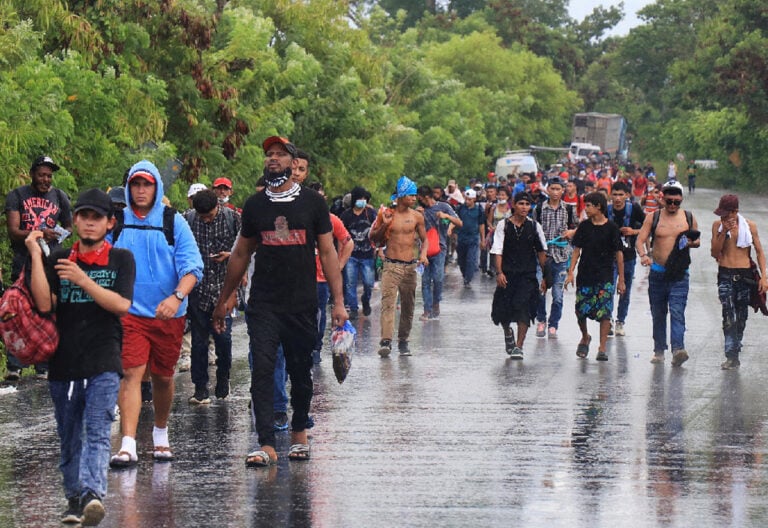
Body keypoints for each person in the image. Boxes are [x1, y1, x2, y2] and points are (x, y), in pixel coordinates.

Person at [212, 135, 347, 467]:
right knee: (262, 369)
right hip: (264, 304)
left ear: (293, 163)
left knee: (300, 372)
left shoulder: (313, 204)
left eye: (280, 154)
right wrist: (225, 298)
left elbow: (328, 252)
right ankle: (266, 443)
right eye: (269, 154)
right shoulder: (255, 205)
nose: (273, 158)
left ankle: (299, 432)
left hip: (302, 303)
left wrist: (338, 301)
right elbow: (241, 253)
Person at [26, 189, 135, 526]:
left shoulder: (121, 259)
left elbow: (122, 305)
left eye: (97, 218)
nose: (90, 223)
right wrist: (35, 255)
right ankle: (74, 499)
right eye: (84, 216)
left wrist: (83, 280)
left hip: (104, 357)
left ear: (109, 223)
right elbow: (45, 304)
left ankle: (92, 494)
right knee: (69, 435)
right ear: (74, 221)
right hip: (64, 359)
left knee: (98, 429)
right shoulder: (59, 259)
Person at [109, 161, 203, 467]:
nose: (140, 190)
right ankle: (128, 443)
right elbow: (99, 257)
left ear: (156, 187)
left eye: (146, 185)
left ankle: (160, 432)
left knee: (163, 377)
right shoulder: (117, 221)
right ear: (128, 187)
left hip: (168, 315)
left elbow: (193, 267)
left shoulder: (173, 221)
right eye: (135, 184)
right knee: (131, 373)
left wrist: (177, 297)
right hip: (130, 312)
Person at [4, 155, 73, 381]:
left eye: (49, 176)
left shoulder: (60, 196)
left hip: (49, 260)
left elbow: (70, 225)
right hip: (24, 260)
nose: (46, 180)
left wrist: (60, 233)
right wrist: (40, 233)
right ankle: (15, 365)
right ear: (32, 174)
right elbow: (14, 231)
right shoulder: (17, 195)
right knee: (19, 308)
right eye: (42, 175)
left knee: (48, 309)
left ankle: (44, 364)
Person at [184, 189, 241, 404]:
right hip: (198, 290)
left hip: (224, 290)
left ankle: (223, 379)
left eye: (209, 215)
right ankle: (200, 388)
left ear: (218, 206)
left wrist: (230, 255)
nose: (206, 220)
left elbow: (247, 249)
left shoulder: (233, 219)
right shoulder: (188, 220)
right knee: (198, 342)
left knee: (223, 339)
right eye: (202, 217)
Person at [635, 181, 700, 366]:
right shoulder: (653, 217)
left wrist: (689, 243)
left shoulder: (688, 217)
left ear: (681, 200)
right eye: (669, 201)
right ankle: (659, 350)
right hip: (658, 273)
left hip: (679, 274)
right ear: (663, 199)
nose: (672, 205)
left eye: (676, 202)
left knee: (677, 311)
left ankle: (678, 349)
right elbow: (640, 240)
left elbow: (697, 241)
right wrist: (643, 256)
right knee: (658, 313)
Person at [369, 176, 428, 357]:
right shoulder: (387, 214)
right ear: (401, 196)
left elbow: (425, 240)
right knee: (388, 304)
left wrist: (423, 254)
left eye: (415, 195)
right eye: (411, 195)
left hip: (410, 267)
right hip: (391, 265)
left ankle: (403, 341)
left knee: (408, 306)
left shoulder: (417, 216)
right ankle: (386, 341)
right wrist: (384, 225)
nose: (414, 198)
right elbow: (374, 238)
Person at [710, 194, 768, 369]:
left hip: (745, 276)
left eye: (726, 214)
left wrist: (764, 277)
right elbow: (714, 252)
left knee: (741, 317)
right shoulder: (717, 226)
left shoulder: (749, 226)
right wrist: (723, 232)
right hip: (725, 274)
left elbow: (759, 251)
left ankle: (736, 344)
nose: (724, 217)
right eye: (722, 214)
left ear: (735, 212)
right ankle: (731, 356)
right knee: (728, 315)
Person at [565, 192, 625, 361]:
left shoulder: (612, 228)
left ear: (598, 207)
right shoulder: (584, 226)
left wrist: (621, 279)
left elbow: (619, 254)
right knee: (580, 311)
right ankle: (585, 337)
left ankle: (602, 347)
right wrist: (571, 272)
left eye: (589, 205)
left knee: (605, 312)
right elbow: (576, 250)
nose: (586, 209)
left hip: (605, 276)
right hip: (585, 275)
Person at [490, 192, 547, 359]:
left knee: (524, 309)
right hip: (507, 274)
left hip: (527, 275)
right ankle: (508, 332)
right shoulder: (504, 225)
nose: (524, 207)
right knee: (503, 310)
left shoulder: (534, 226)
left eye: (527, 204)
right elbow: (497, 250)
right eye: (521, 203)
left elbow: (541, 251)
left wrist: (546, 276)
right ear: (514, 205)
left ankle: (519, 346)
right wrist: (499, 272)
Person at [534, 177, 577, 338]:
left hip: (561, 257)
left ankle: (553, 325)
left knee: (558, 296)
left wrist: (571, 233)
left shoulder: (569, 209)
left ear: (563, 191)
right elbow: (533, 229)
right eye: (552, 188)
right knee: (540, 290)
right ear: (548, 190)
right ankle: (541, 321)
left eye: (558, 189)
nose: (555, 192)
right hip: (542, 256)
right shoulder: (539, 209)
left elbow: (578, 228)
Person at [417, 185, 462, 320]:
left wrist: (446, 216)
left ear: (426, 197)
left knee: (438, 278)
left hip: (440, 248)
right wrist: (418, 216)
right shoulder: (419, 210)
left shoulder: (443, 206)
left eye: (419, 198)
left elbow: (459, 223)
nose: (417, 200)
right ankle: (427, 309)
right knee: (425, 280)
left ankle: (436, 302)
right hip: (423, 250)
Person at [607, 182, 646, 336]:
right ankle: (608, 320)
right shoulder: (606, 210)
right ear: (611, 195)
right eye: (615, 195)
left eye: (621, 195)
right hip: (609, 257)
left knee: (625, 290)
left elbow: (647, 228)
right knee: (608, 289)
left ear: (627, 195)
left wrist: (632, 231)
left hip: (628, 256)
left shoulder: (634, 209)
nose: (617, 198)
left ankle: (620, 321)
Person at [340, 186, 377, 318]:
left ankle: (365, 300)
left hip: (368, 255)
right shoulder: (346, 216)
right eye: (360, 198)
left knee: (368, 283)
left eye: (364, 198)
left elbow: (377, 230)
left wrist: (378, 248)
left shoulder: (371, 214)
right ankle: (353, 308)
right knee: (350, 283)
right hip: (351, 255)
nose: (363, 201)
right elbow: (341, 235)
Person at [455, 189, 485, 287]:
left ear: (474, 199)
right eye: (466, 199)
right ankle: (464, 275)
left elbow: (481, 224)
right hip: (461, 238)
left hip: (473, 238)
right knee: (461, 260)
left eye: (470, 200)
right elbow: (455, 221)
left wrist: (483, 239)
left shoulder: (479, 210)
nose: (467, 201)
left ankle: (468, 279)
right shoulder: (460, 208)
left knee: (471, 259)